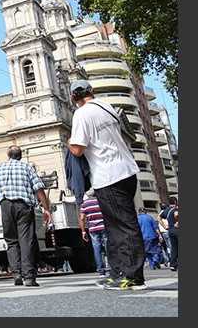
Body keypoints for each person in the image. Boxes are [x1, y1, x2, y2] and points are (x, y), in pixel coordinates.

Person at [67, 79, 147, 290]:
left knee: (122, 226)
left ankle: (133, 277)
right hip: (127, 171)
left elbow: (77, 149)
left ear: (73, 97)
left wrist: (69, 141)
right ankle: (117, 272)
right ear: (91, 91)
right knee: (114, 227)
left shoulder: (82, 114)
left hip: (109, 175)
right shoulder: (107, 107)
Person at [0, 145, 51, 287]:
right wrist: (46, 208)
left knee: (11, 240)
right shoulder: (27, 168)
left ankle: (16, 273)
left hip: (5, 206)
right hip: (23, 207)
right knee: (26, 240)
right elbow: (38, 188)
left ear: (8, 155)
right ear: (20, 156)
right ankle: (29, 277)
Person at [79, 188, 110, 276]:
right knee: (108, 247)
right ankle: (112, 269)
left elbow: (82, 218)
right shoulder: (101, 201)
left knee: (97, 249)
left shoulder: (84, 204)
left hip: (93, 229)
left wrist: (83, 231)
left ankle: (101, 270)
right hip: (104, 227)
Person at [159, 196, 178, 272]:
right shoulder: (176, 209)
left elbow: (158, 218)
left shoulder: (166, 210)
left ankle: (173, 265)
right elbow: (176, 214)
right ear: (175, 202)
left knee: (174, 248)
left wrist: (165, 227)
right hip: (177, 230)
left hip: (170, 231)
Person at [156, 202, 172, 266]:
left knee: (164, 247)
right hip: (167, 231)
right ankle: (171, 260)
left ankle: (167, 260)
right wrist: (166, 227)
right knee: (171, 246)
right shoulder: (166, 213)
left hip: (162, 232)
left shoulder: (159, 214)